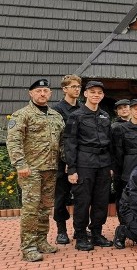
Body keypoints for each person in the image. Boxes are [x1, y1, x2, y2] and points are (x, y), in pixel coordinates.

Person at [6, 78, 65, 262]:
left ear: (50, 94)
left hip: (51, 168)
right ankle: (28, 247)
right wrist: (20, 164)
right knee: (31, 209)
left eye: (46, 91)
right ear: (30, 93)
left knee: (45, 208)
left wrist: (66, 161)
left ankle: (41, 241)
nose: (42, 94)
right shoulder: (21, 115)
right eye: (38, 91)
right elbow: (13, 141)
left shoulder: (56, 116)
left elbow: (62, 142)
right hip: (31, 170)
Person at [63, 80, 114, 251]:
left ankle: (97, 232)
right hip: (84, 162)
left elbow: (110, 143)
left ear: (103, 95)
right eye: (92, 92)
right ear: (85, 94)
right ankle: (81, 235)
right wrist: (71, 168)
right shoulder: (75, 116)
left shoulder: (105, 116)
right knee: (82, 201)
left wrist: (111, 165)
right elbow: (70, 143)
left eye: (99, 92)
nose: (96, 95)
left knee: (101, 201)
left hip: (103, 163)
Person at [51, 74, 83, 245]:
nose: (77, 89)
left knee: (82, 197)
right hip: (63, 162)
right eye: (73, 86)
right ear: (64, 89)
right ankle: (61, 231)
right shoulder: (56, 111)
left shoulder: (83, 108)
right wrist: (67, 162)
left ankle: (79, 230)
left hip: (82, 160)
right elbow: (57, 139)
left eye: (78, 86)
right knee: (61, 197)